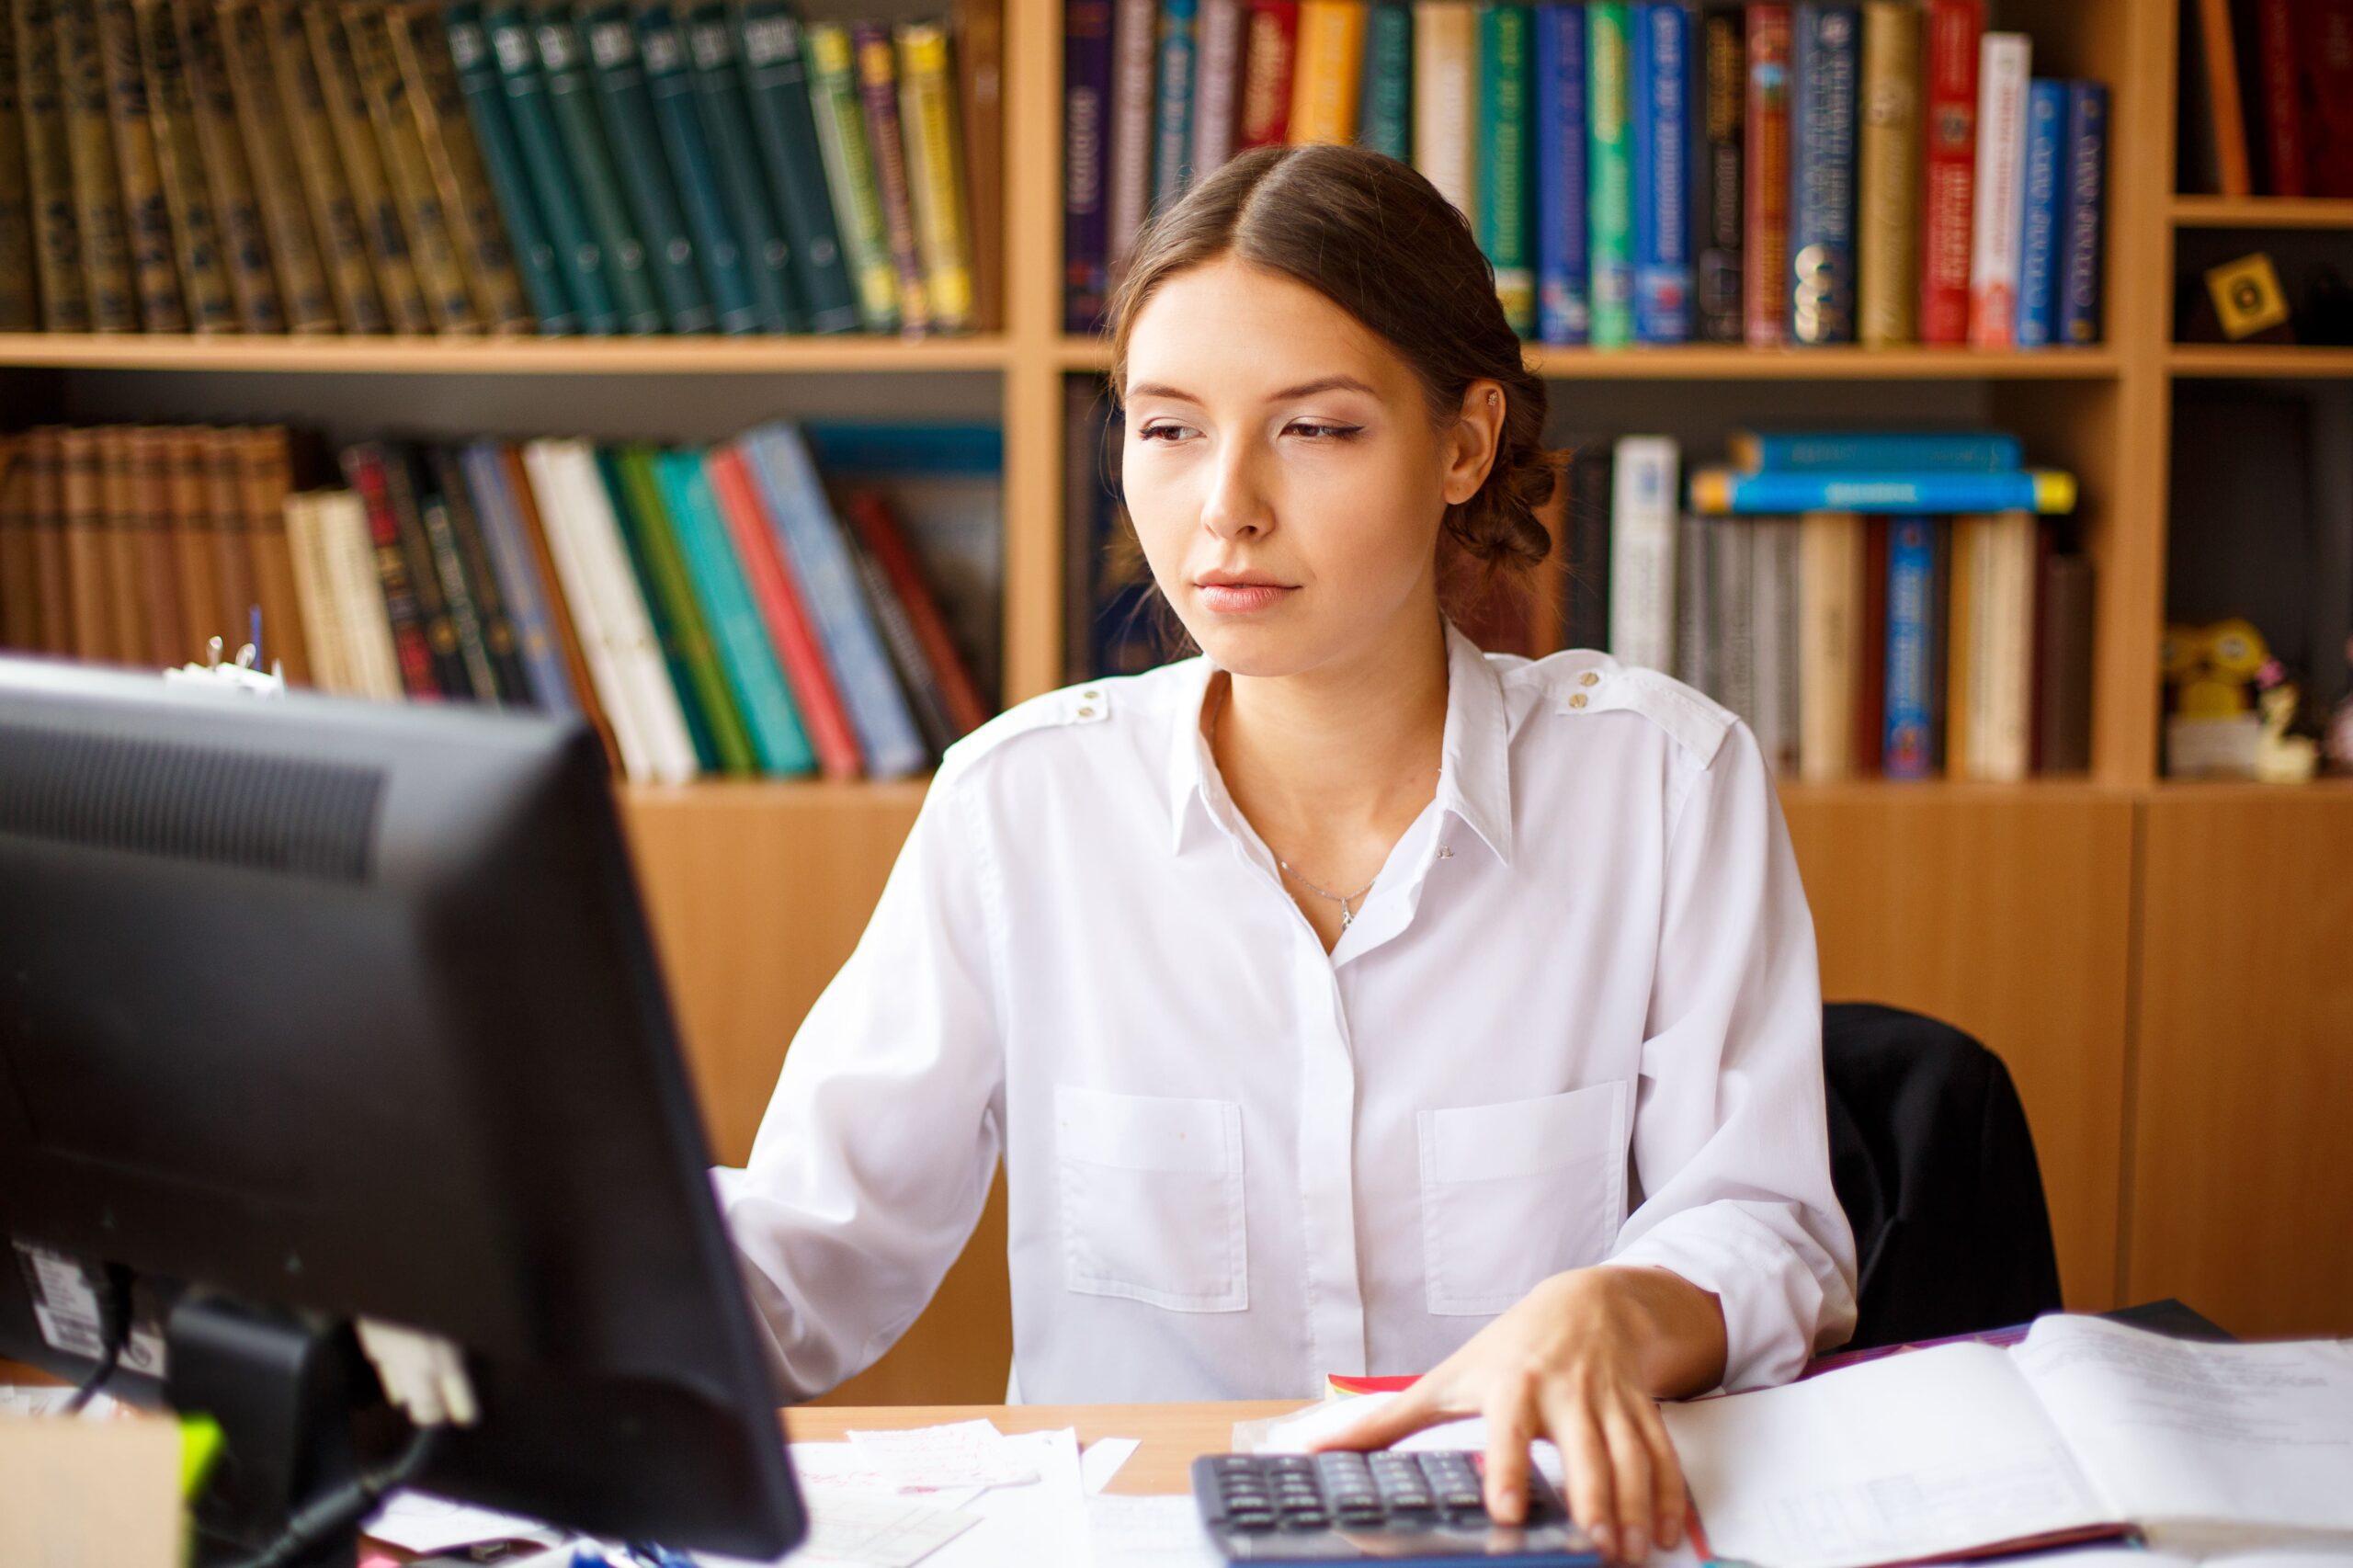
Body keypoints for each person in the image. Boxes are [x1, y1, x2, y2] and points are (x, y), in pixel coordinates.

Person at [716, 143, 1858, 1562]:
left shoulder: (1663, 783)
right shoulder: (1022, 806)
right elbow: (811, 1249)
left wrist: (1631, 1303)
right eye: (1169, 427)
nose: (1225, 509)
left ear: (1464, 443)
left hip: (1524, 1528)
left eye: (1313, 430)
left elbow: (1767, 1221)